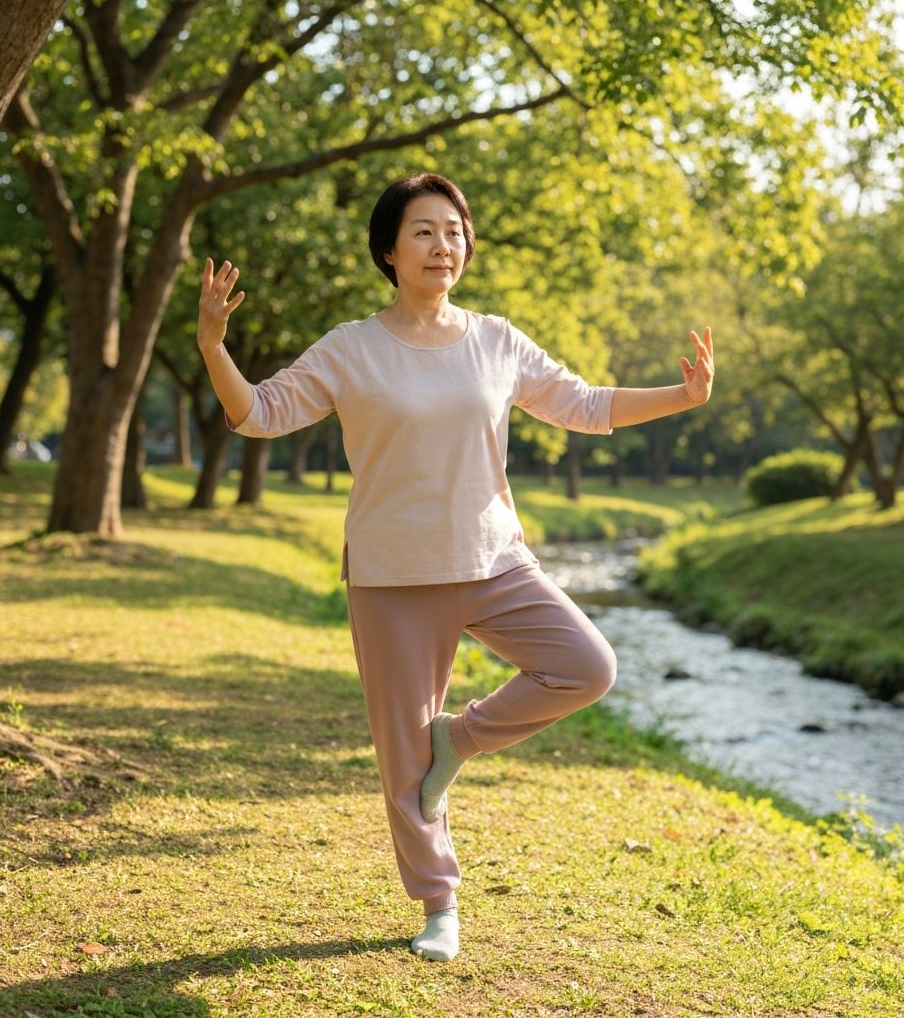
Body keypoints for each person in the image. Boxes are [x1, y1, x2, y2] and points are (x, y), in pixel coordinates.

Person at [197, 173, 715, 962]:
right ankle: (439, 905)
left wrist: (682, 396)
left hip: (491, 559)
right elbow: (258, 414)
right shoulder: (351, 347)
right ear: (388, 250)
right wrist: (212, 346)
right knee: (402, 757)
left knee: (587, 666)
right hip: (392, 575)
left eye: (455, 231)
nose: (445, 245)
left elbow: (583, 403)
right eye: (424, 232)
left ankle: (459, 737)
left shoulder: (496, 340)